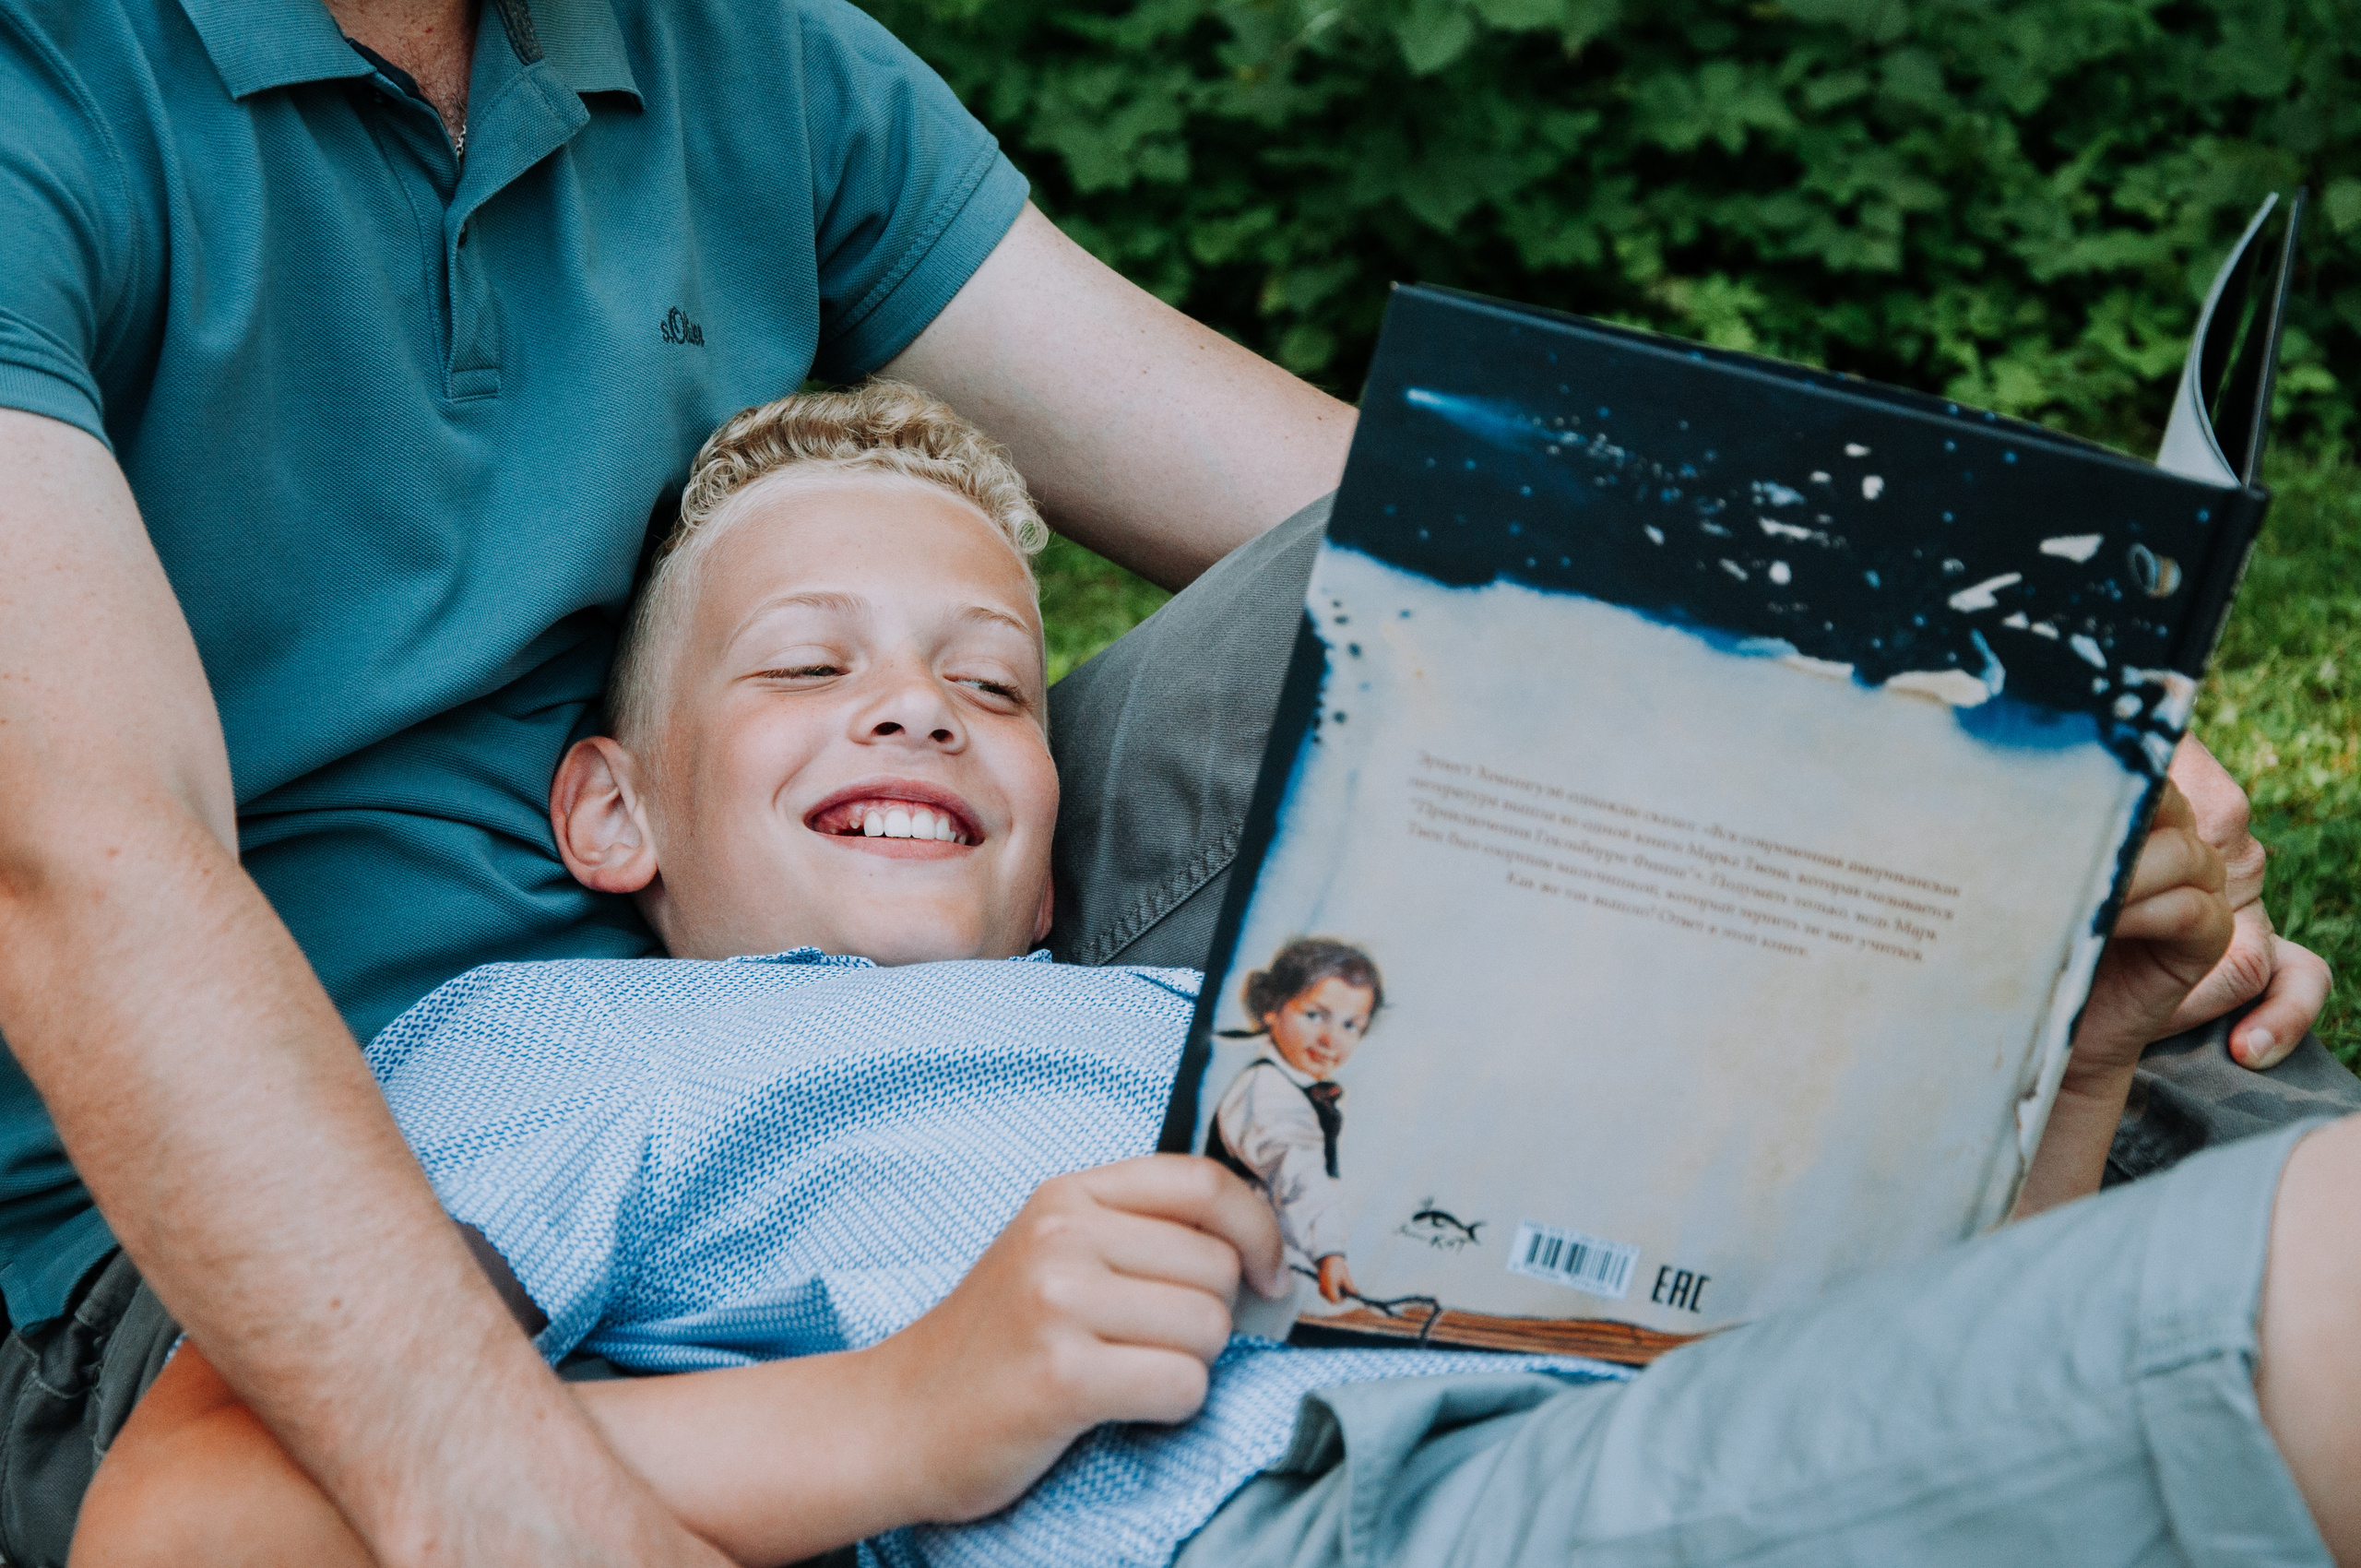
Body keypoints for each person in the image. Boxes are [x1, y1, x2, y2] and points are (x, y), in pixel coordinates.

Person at [0, 0, 2334, 1561]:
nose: (913, 702)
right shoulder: (53, 84)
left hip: (1236, 1223)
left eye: (977, 676)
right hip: (253, 1189)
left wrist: (1978, 789)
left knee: (1474, 590)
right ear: (607, 798)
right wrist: (766, 1458)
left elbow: (1416, 547)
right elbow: (77, 860)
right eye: (817, 658)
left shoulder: (734, 50)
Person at [1207, 939, 1384, 1305]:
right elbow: (1297, 1174)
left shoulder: (1295, 1089)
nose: (1330, 1039)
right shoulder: (1269, 1093)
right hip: (1235, 1267)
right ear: (1271, 1009)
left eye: (1350, 1025)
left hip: (1267, 1265)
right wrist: (1329, 1252)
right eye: (1314, 1015)